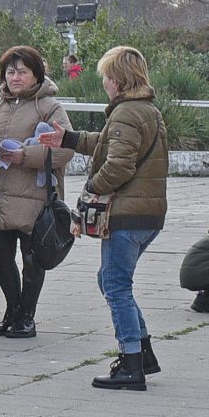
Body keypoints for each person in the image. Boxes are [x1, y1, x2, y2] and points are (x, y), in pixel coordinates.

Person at [64, 45, 169, 392]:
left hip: (126, 215)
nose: (104, 83)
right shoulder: (147, 110)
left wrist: (91, 188)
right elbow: (109, 144)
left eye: (107, 76)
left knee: (116, 286)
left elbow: (119, 164)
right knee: (111, 280)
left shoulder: (125, 113)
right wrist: (68, 139)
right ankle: (144, 352)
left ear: (118, 79)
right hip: (149, 215)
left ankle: (131, 363)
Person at [0, 46, 72, 339]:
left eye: (22, 71)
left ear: (36, 74)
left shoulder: (50, 107)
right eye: (10, 71)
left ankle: (27, 315)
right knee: (1, 258)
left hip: (34, 197)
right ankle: (12, 310)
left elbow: (64, 148)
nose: (15, 77)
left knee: (31, 259)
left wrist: (24, 156)